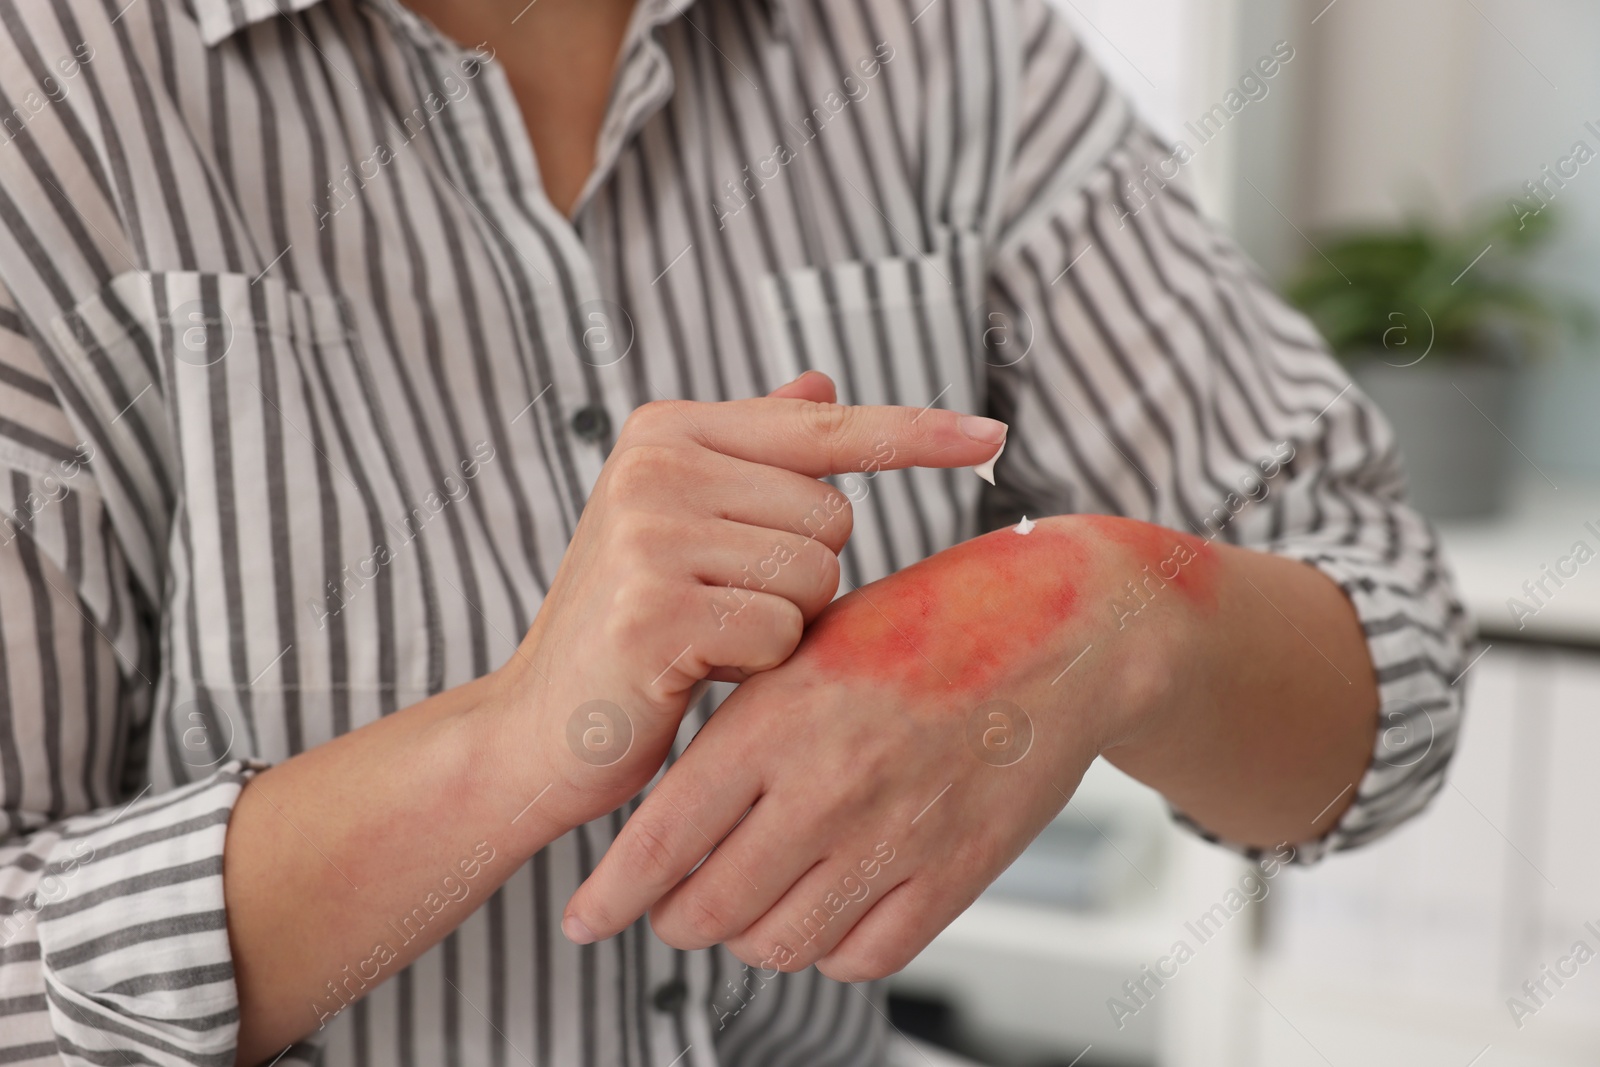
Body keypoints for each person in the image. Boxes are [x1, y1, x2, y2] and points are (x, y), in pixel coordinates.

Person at [0, 0, 1467, 1063]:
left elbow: (1391, 656)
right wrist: (510, 744)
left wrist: (1114, 608)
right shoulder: (47, 96)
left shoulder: (950, 50)